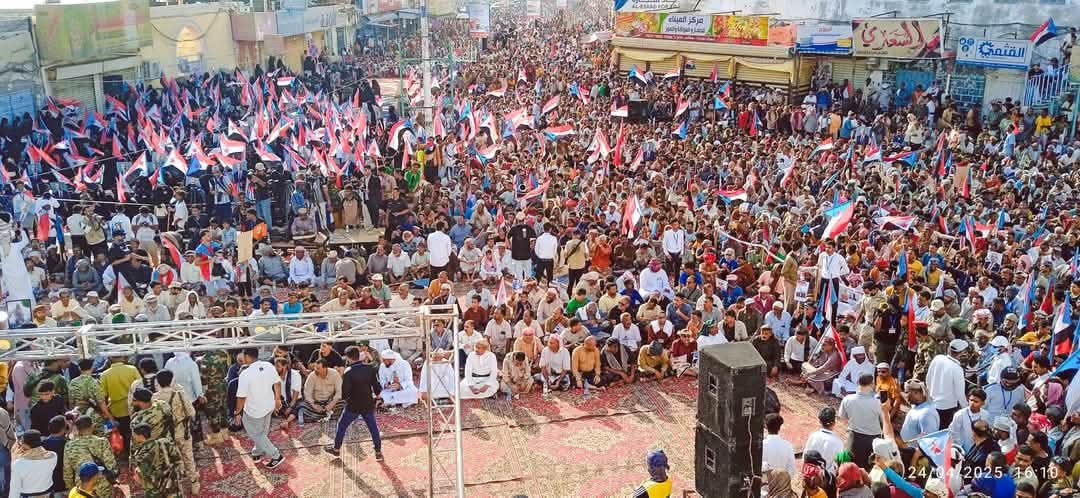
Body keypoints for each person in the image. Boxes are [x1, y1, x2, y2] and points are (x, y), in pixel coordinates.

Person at [326, 346, 382, 461]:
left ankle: (336, 449)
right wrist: (378, 398)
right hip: (368, 403)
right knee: (373, 428)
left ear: (348, 358)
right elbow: (376, 386)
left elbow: (345, 394)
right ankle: (378, 452)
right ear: (358, 355)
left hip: (353, 406)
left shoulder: (348, 372)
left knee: (342, 426)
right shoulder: (369, 368)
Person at [234, 348, 285, 469]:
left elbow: (241, 397)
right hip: (268, 406)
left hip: (254, 411)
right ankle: (257, 452)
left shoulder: (245, 374)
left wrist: (237, 412)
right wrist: (277, 399)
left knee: (256, 434)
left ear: (246, 356)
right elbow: (277, 383)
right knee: (262, 433)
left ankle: (276, 456)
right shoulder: (268, 366)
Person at [838, 374, 883, 471]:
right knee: (870, 469)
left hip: (854, 438)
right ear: (872, 384)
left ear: (858, 383)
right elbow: (883, 421)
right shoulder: (877, 403)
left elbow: (842, 418)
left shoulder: (847, 399)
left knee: (852, 468)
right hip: (873, 440)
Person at [130, 423, 183, 498]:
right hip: (171, 482)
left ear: (141, 436)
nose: (133, 437)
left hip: (153, 490)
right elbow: (177, 458)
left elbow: (140, 476)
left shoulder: (139, 454)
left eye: (134, 435)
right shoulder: (164, 442)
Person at [9, 430, 57, 498]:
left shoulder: (18, 464)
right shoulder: (53, 456)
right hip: (48, 495)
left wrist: (14, 458)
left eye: (21, 442)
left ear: (26, 445)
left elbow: (14, 490)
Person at [762, 413, 797, 479]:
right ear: (780, 427)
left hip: (765, 483)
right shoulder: (787, 445)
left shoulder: (762, 445)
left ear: (766, 426)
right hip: (782, 483)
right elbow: (792, 469)